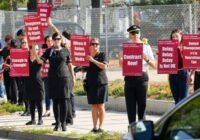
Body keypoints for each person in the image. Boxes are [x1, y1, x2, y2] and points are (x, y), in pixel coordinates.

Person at [32, 32, 75, 131]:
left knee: (64, 100)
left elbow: (69, 65)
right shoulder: (49, 51)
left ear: (61, 40)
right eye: (55, 39)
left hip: (64, 78)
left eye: (58, 39)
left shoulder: (66, 51)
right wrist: (34, 49)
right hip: (53, 78)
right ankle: (57, 123)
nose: (56, 41)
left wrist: (73, 77)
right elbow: (40, 61)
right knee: (55, 101)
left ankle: (64, 123)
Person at [119, 25, 155, 124]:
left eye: (137, 33)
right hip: (129, 78)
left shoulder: (146, 47)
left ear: (140, 33)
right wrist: (120, 59)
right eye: (133, 33)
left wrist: (146, 58)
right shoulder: (127, 47)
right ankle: (132, 130)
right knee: (130, 107)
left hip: (141, 78)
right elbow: (121, 64)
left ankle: (141, 131)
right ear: (130, 35)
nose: (136, 35)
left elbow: (154, 64)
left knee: (142, 106)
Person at [84, 37, 108, 133]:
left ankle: (101, 127)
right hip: (90, 83)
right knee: (94, 106)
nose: (95, 46)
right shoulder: (87, 56)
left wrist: (92, 60)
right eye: (93, 44)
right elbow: (84, 68)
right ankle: (94, 127)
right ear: (89, 46)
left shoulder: (102, 55)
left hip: (101, 83)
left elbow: (104, 66)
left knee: (101, 106)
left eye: (97, 44)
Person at [169, 29, 189, 104]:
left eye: (176, 36)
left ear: (181, 37)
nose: (174, 38)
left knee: (183, 100)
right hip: (172, 75)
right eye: (173, 37)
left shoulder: (186, 47)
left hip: (183, 74)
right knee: (176, 100)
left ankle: (183, 115)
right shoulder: (169, 48)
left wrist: (178, 50)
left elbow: (186, 63)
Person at [41, 35, 53, 117]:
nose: (49, 42)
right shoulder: (43, 51)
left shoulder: (56, 50)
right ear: (45, 42)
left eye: (50, 40)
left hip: (55, 75)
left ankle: (57, 110)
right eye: (48, 41)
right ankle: (48, 109)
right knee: (47, 93)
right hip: (45, 74)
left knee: (55, 93)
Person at [188, 27, 200, 91]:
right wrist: (191, 74)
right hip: (198, 74)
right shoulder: (196, 44)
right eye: (199, 30)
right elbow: (195, 60)